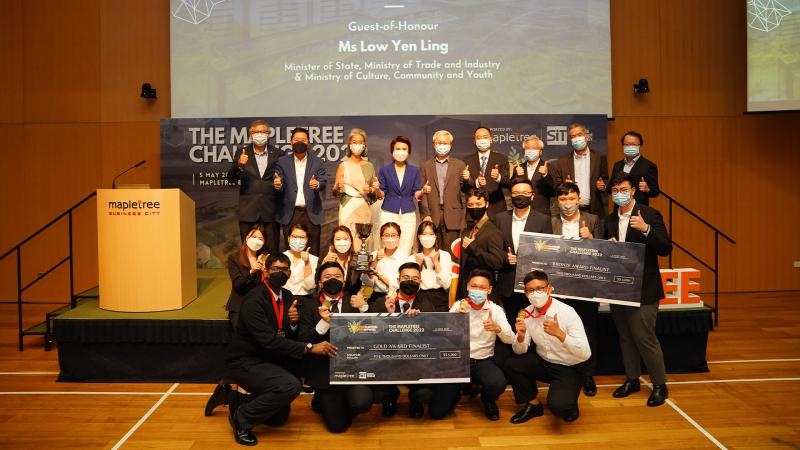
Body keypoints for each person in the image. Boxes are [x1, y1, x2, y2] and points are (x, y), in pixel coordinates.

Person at [225, 253, 337, 446]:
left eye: (284, 270)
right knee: (289, 386)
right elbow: (269, 341)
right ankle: (241, 418)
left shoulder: (287, 296)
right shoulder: (254, 299)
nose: (280, 273)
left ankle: (232, 396)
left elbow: (288, 335)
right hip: (247, 360)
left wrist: (293, 323)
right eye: (275, 269)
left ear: (289, 273)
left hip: (272, 358)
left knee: (278, 419)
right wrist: (310, 348)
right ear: (266, 272)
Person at [604, 174, 672, 407]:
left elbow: (665, 248)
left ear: (633, 190)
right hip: (618, 288)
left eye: (624, 189)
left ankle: (660, 385)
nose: (619, 194)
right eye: (615, 191)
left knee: (645, 338)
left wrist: (646, 229)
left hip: (644, 289)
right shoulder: (609, 219)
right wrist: (607, 249)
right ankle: (632, 379)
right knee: (626, 337)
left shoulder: (649, 214)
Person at [503, 270, 590, 423]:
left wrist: (560, 334)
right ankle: (533, 405)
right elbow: (519, 351)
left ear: (549, 289)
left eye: (540, 289)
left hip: (569, 366)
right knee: (511, 363)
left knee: (559, 407)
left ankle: (570, 402)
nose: (535, 294)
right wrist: (521, 336)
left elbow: (585, 354)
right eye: (531, 290)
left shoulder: (567, 312)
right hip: (544, 363)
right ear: (526, 294)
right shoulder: (527, 313)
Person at [298, 261, 374, 433]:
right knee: (338, 426)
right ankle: (321, 398)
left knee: (362, 402)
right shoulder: (309, 305)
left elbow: (374, 332)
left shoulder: (355, 301)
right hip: (324, 369)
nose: (333, 279)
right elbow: (303, 340)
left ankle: (338, 402)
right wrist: (323, 324)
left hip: (353, 367)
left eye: (337, 276)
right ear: (319, 282)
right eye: (327, 277)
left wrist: (364, 308)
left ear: (344, 281)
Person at [205, 226, 267, 417]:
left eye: (261, 238)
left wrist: (264, 272)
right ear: (246, 238)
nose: (257, 240)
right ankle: (228, 391)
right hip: (239, 309)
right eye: (254, 236)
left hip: (257, 310)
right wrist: (252, 271)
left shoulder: (264, 258)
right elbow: (238, 285)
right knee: (243, 352)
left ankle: (236, 391)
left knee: (255, 351)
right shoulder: (235, 258)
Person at [436, 269, 514, 421]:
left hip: (483, 361)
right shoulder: (459, 306)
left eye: (482, 287)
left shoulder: (496, 310)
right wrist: (456, 321)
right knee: (437, 412)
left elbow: (510, 339)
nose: (477, 290)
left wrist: (498, 329)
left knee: (497, 383)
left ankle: (488, 399)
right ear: (467, 287)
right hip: (458, 359)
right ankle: (458, 392)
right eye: (474, 286)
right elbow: (446, 337)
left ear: (489, 290)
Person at [550, 181, 603, 396]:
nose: (567, 203)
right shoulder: (551, 222)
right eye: (563, 199)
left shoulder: (593, 220)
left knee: (588, 330)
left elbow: (604, 254)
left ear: (579, 199)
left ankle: (587, 375)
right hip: (559, 287)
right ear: (557, 201)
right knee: (561, 329)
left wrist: (591, 240)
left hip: (586, 286)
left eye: (572, 198)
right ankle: (565, 373)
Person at [370, 262, 437, 418]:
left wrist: (418, 324)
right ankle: (390, 399)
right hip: (387, 360)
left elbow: (433, 340)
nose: (410, 281)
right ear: (398, 280)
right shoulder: (381, 303)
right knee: (378, 393)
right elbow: (372, 336)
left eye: (415, 279)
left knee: (425, 392)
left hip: (415, 360)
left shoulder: (427, 305)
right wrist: (391, 317)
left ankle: (415, 401)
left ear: (420, 282)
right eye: (406, 278)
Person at [495, 177, 553, 319]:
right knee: (511, 323)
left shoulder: (543, 220)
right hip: (507, 282)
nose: (520, 196)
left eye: (525, 193)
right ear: (511, 195)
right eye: (516, 193)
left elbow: (548, 252)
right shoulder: (500, 218)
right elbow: (495, 248)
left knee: (534, 323)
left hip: (533, 285)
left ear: (532, 196)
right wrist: (505, 257)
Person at [227, 119, 283, 253]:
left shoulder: (278, 153)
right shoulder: (241, 153)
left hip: (270, 210)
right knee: (248, 251)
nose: (260, 134)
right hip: (248, 210)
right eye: (256, 132)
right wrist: (239, 165)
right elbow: (231, 179)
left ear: (268, 134)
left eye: (263, 132)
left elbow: (283, 178)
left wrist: (280, 183)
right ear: (251, 134)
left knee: (272, 252)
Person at [274, 127, 327, 256]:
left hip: (311, 213)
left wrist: (317, 184)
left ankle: (312, 270)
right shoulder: (282, 162)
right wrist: (278, 185)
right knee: (291, 252)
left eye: (303, 140)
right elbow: (279, 182)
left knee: (313, 252)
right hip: (290, 213)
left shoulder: (318, 162)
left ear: (308, 143)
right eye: (296, 139)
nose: (300, 142)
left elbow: (323, 182)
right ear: (291, 141)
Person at [332, 128, 383, 252]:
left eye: (360, 142)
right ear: (349, 144)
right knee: (346, 240)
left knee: (362, 243)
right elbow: (335, 192)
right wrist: (337, 187)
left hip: (364, 208)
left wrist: (371, 190)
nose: (357, 145)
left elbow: (376, 194)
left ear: (364, 145)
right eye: (354, 142)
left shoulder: (369, 166)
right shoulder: (343, 165)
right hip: (347, 208)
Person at [418, 130, 468, 254]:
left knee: (451, 254)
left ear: (450, 145)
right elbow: (422, 192)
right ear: (433, 145)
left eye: (445, 143)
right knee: (432, 253)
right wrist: (425, 214)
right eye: (439, 143)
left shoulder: (460, 165)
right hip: (432, 215)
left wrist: (468, 179)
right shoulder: (425, 166)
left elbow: (465, 190)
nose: (442, 145)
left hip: (453, 216)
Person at [455, 188, 505, 300]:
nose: (474, 208)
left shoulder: (493, 231)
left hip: (484, 293)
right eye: (470, 205)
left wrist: (473, 248)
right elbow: (463, 267)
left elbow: (497, 262)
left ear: (486, 204)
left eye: (478, 204)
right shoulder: (467, 231)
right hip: (466, 291)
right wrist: (459, 296)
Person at [552, 122, 609, 219]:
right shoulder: (563, 161)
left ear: (586, 136)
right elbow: (556, 185)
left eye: (579, 135)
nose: (577, 138)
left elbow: (606, 179)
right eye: (573, 136)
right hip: (570, 209)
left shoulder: (599, 157)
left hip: (594, 209)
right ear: (570, 140)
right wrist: (565, 185)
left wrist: (603, 186)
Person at [378, 136, 424, 255]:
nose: (400, 152)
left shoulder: (414, 171)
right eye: (397, 149)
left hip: (408, 213)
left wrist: (422, 191)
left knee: (406, 246)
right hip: (388, 212)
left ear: (408, 152)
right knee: (388, 245)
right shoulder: (384, 170)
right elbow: (382, 192)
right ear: (392, 151)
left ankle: (403, 267)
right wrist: (377, 189)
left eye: (404, 149)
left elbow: (416, 192)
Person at [462, 126, 510, 219]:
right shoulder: (467, 160)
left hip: (497, 208)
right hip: (474, 210)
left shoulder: (502, 158)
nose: (482, 140)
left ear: (491, 139)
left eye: (485, 137)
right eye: (479, 138)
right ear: (474, 141)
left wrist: (498, 178)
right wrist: (474, 182)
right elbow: (463, 189)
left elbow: (507, 183)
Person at [361, 222, 410, 306]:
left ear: (399, 237)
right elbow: (364, 281)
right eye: (386, 235)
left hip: (397, 299)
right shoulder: (373, 254)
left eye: (393, 235)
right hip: (375, 297)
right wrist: (375, 262)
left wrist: (381, 278)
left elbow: (403, 284)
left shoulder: (405, 258)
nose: (390, 238)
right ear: (381, 238)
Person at [409, 221, 453, 312]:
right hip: (419, 297)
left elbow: (446, 284)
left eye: (431, 234)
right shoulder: (412, 258)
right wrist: (418, 266)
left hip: (440, 297)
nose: (427, 237)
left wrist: (436, 262)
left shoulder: (444, 255)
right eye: (424, 234)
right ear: (419, 237)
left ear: (435, 236)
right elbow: (411, 286)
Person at [610, 130, 660, 206]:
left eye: (633, 144)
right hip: (619, 208)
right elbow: (611, 187)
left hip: (639, 209)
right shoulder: (617, 165)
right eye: (627, 144)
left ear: (640, 147)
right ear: (622, 146)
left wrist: (647, 189)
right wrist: (605, 187)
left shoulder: (649, 166)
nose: (630, 147)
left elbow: (655, 191)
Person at [513, 135, 554, 215]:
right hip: (521, 211)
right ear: (524, 151)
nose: (530, 150)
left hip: (541, 212)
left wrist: (545, 175)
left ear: (540, 151)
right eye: (528, 148)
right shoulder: (518, 168)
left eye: (534, 148)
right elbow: (511, 189)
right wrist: (517, 176)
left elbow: (553, 191)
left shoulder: (549, 167)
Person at [318, 226, 361, 292]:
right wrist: (324, 262)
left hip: (351, 296)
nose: (342, 242)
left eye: (345, 239)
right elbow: (317, 282)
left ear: (351, 241)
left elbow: (357, 284)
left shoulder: (357, 258)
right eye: (338, 239)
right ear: (333, 242)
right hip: (329, 295)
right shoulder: (325, 257)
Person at [282, 224, 317, 303]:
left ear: (306, 240)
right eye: (294, 237)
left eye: (302, 237)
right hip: (284, 300)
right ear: (288, 238)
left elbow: (309, 286)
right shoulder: (281, 257)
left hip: (306, 301)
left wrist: (307, 263)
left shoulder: (314, 259)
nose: (298, 240)